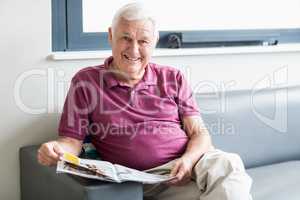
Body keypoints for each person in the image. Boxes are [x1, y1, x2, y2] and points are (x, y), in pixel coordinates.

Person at [38, 2, 252, 200]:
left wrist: (187, 160)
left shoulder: (172, 77)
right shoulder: (86, 82)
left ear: (154, 42)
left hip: (191, 161)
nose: (133, 50)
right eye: (126, 38)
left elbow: (199, 133)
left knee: (229, 164)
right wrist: (55, 149)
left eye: (143, 41)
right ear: (110, 35)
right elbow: (71, 142)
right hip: (148, 179)